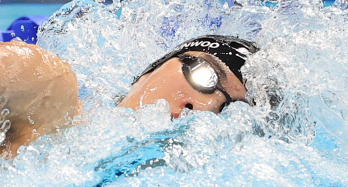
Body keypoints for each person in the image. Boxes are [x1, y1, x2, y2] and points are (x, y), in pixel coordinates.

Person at [0, 35, 258, 159]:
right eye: (206, 76)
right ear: (150, 70)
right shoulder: (46, 85)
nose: (202, 106)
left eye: (228, 109)